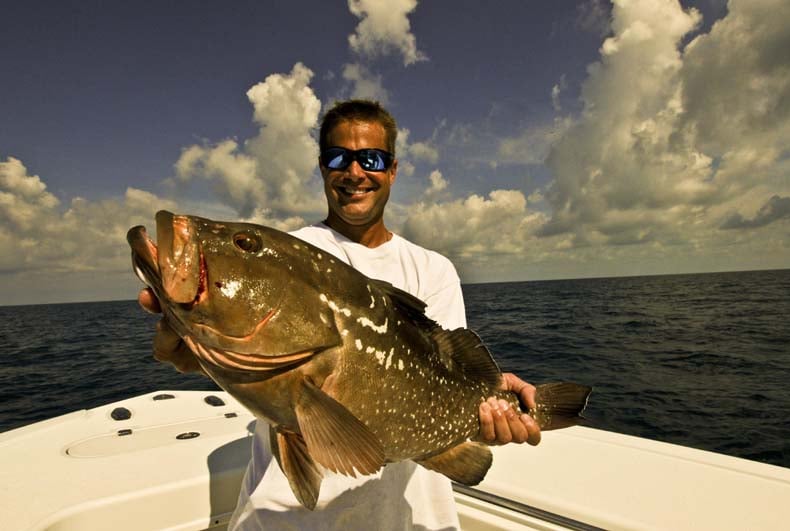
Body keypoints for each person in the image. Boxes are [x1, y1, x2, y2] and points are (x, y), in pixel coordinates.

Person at [138, 100, 540, 530]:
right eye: (337, 158)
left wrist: (492, 396)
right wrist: (191, 354)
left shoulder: (433, 270)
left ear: (392, 170)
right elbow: (254, 359)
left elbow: (446, 367)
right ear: (322, 167)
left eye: (371, 159)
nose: (354, 172)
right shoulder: (294, 249)